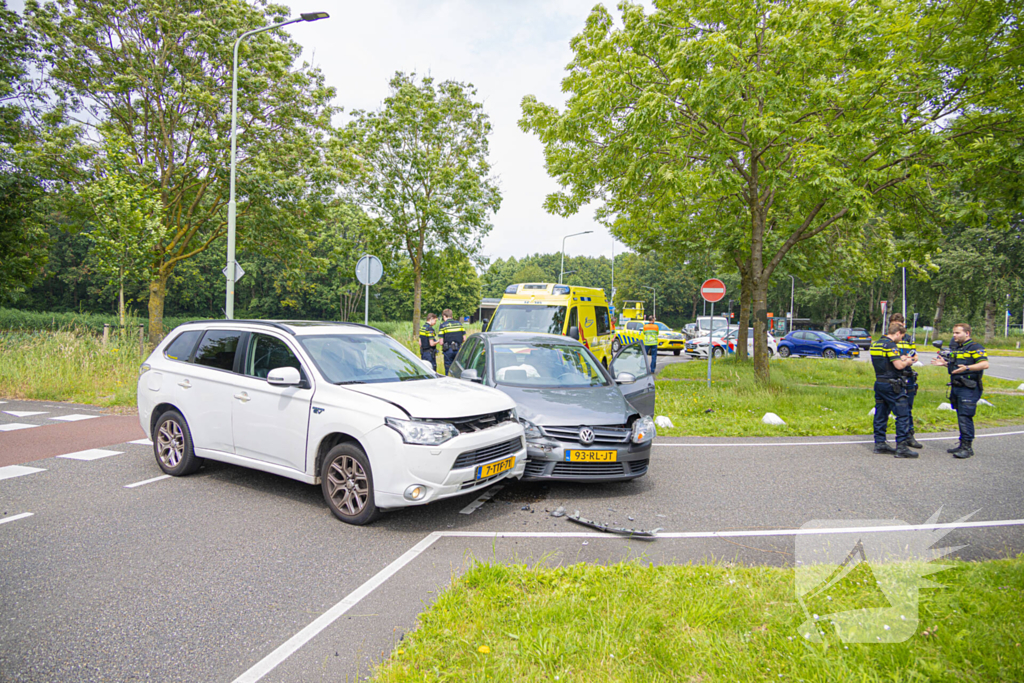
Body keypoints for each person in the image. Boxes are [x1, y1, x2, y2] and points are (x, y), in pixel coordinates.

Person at [931, 323, 989, 459]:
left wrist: (967, 368)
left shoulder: (975, 347)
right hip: (956, 386)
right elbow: (956, 364)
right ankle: (962, 443)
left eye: (957, 333)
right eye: (953, 333)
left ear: (967, 333)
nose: (954, 335)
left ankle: (967, 447)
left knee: (965, 416)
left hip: (968, 387)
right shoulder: (957, 348)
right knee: (960, 414)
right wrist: (944, 364)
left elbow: (984, 364)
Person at [868, 321, 918, 458]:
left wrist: (899, 359)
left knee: (881, 414)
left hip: (879, 382)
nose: (901, 339)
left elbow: (884, 361)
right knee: (902, 414)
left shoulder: (876, 344)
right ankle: (901, 446)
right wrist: (907, 361)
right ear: (897, 333)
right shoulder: (891, 345)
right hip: (892, 385)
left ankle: (880, 443)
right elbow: (899, 366)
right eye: (901, 336)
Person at [889, 314, 923, 449]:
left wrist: (909, 359)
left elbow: (915, 357)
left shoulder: (908, 339)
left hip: (907, 375)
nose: (897, 326)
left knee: (908, 408)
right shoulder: (888, 339)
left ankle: (909, 435)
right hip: (893, 376)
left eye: (899, 324)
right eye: (894, 324)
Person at [438, 309, 466, 376]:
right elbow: (464, 339)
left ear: (444, 316)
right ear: (451, 315)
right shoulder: (459, 324)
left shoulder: (443, 326)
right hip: (459, 349)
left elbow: (441, 342)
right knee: (458, 368)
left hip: (448, 350)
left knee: (448, 367)